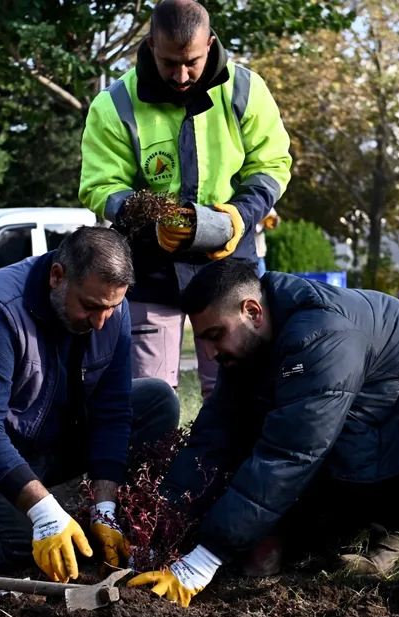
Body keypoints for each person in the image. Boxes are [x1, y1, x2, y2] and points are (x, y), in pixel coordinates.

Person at [129, 260, 399, 617]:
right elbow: (210, 443)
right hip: (380, 438)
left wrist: (206, 557)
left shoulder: (321, 332)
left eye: (215, 334)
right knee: (264, 551)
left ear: (251, 310)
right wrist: (154, 532)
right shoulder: (253, 347)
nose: (210, 351)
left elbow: (290, 453)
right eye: (202, 339)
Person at [0, 227, 181, 583]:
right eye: (91, 307)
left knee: (157, 400)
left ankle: (78, 513)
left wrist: (104, 507)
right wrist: (44, 514)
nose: (101, 321)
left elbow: (112, 410)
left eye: (111, 309)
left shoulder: (111, 307)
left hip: (44, 439)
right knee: (27, 543)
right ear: (57, 277)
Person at [78, 0, 292, 400]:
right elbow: (99, 185)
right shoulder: (114, 104)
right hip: (149, 265)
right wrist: (148, 216)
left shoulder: (246, 90)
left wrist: (237, 217)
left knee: (238, 388)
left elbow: (272, 164)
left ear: (210, 45)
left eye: (191, 61)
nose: (180, 75)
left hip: (229, 261)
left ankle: (230, 464)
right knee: (149, 392)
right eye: (169, 62)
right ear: (151, 46)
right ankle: (152, 463)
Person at [254, 209, 280, 276]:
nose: (270, 227)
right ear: (272, 218)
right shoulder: (266, 210)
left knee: (262, 274)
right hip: (252, 253)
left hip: (259, 254)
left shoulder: (260, 227)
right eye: (272, 224)